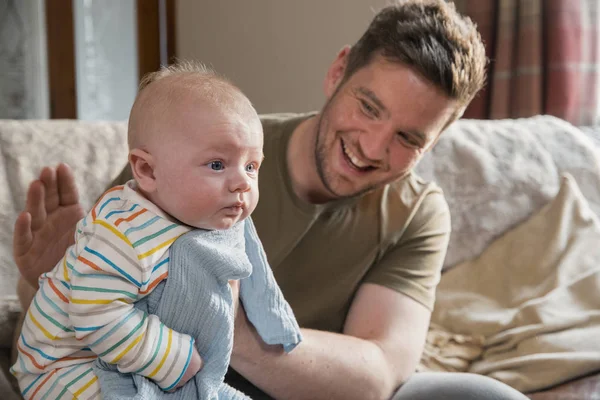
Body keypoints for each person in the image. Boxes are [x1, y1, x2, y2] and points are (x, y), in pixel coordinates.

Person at [12, 1, 530, 399]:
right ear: (338, 72)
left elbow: (378, 375)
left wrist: (228, 331)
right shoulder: (198, 143)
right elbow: (85, 329)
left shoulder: (416, 212)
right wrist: (46, 280)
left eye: (410, 139)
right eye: (368, 107)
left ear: (435, 143)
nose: (373, 149)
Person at [11, 64, 301, 399]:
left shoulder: (219, 222)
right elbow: (95, 312)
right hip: (65, 366)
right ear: (148, 170)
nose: (242, 183)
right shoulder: (123, 232)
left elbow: (256, 276)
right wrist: (172, 359)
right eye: (217, 165)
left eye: (252, 166)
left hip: (131, 359)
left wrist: (275, 324)